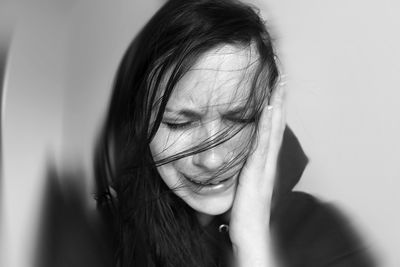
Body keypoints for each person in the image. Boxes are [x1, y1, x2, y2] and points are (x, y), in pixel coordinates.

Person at [94, 0, 375, 266]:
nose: (213, 160)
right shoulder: (105, 238)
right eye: (179, 123)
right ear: (141, 119)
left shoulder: (324, 236)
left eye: (240, 118)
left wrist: (251, 244)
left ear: (269, 111)